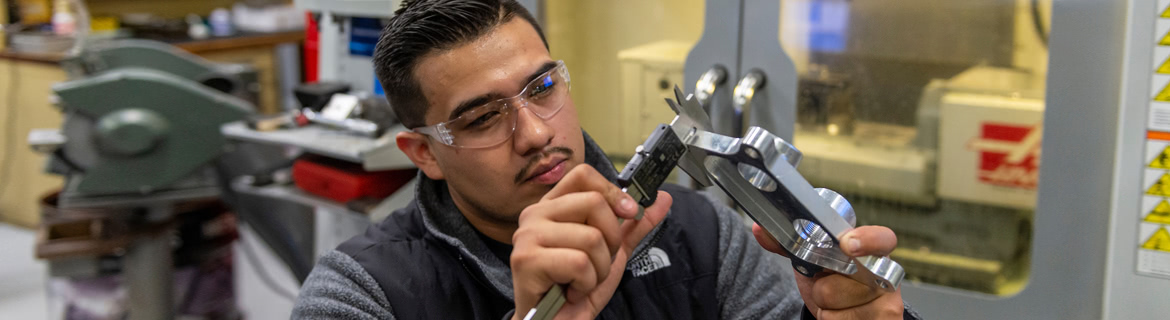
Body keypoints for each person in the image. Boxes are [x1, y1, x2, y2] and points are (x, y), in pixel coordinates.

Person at [292, 0, 920, 319]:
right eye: (482, 117)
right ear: (424, 152)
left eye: (542, 89)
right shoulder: (360, 295)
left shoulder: (702, 234)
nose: (535, 134)